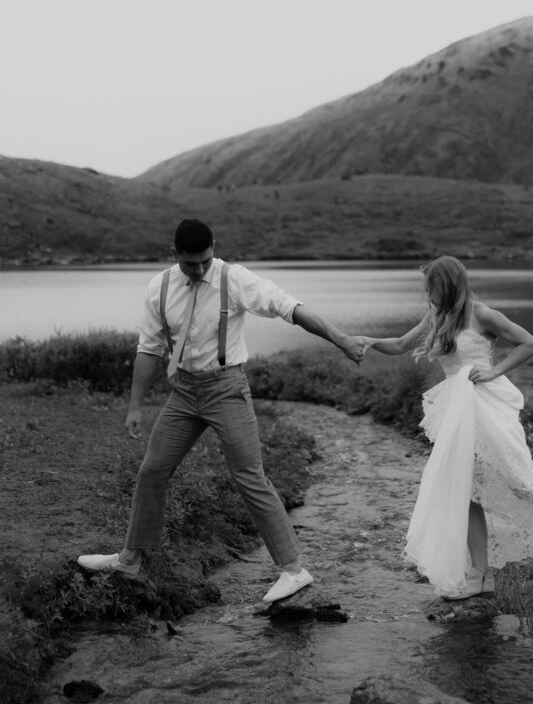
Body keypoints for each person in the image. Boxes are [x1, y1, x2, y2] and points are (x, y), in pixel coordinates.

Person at [79, 218, 365, 603]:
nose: (199, 270)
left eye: (205, 261)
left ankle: (294, 570)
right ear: (174, 254)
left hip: (226, 387)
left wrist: (341, 339)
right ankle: (130, 559)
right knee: (152, 470)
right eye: (190, 263)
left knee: (249, 476)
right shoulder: (158, 287)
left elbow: (290, 308)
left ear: (214, 247)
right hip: (182, 392)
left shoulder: (235, 279)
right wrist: (135, 407)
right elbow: (148, 349)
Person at [359, 256, 533, 600]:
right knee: (467, 492)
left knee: (524, 481)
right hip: (457, 414)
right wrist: (367, 341)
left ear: (445, 284)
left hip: (486, 408)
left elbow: (529, 343)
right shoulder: (437, 317)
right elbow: (401, 345)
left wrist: (493, 371)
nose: (426, 293)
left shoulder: (481, 313)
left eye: (430, 285)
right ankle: (480, 574)